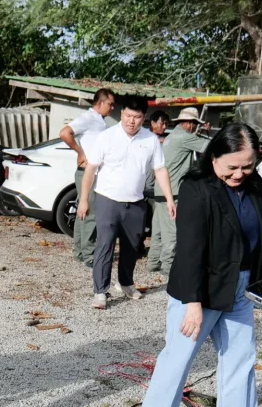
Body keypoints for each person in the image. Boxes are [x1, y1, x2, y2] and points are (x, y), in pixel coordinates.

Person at [140, 123, 262, 407]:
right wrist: (193, 301)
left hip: (241, 286)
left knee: (241, 353)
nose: (239, 174)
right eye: (232, 167)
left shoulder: (255, 184)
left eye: (247, 166)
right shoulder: (197, 187)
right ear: (214, 156)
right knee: (180, 352)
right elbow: (190, 248)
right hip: (201, 288)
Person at [77, 95, 175, 310]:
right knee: (106, 245)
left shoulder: (150, 140)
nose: (132, 121)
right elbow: (91, 169)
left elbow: (159, 169)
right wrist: (84, 199)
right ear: (121, 114)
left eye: (137, 117)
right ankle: (100, 291)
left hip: (136, 202)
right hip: (107, 200)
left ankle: (126, 283)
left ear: (144, 118)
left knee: (132, 247)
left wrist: (169, 199)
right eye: (128, 116)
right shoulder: (106, 137)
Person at [146, 106, 211, 278]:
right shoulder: (184, 137)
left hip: (160, 189)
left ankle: (153, 263)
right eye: (195, 125)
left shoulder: (172, 136)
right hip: (172, 192)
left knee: (158, 230)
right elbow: (209, 147)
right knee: (172, 232)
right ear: (190, 124)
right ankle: (169, 267)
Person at [58, 88, 114, 268]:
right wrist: (80, 152)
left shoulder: (99, 121)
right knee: (90, 213)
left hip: (91, 172)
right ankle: (89, 254)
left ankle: (80, 251)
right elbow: (65, 132)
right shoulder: (88, 118)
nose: (112, 108)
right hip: (88, 173)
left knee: (84, 212)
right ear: (100, 102)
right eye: (110, 104)